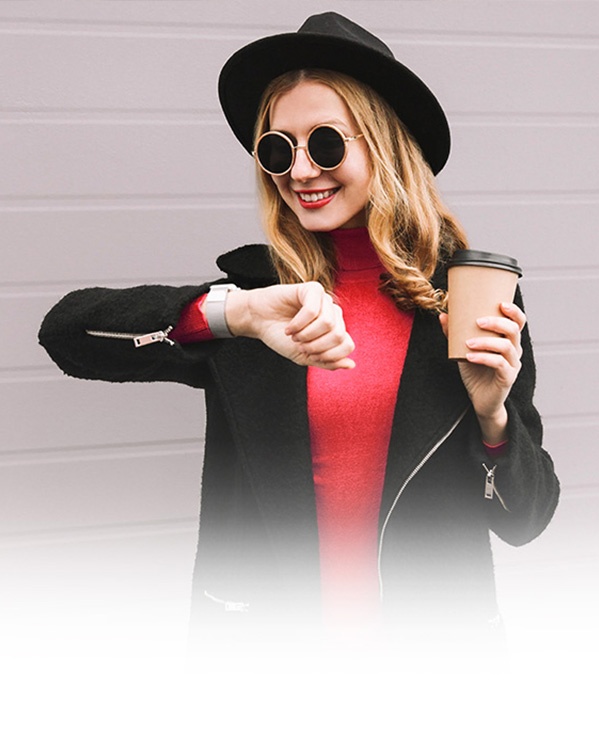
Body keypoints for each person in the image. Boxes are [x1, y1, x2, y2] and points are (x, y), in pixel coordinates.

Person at [39, 13, 559, 650]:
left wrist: (493, 418)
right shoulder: (257, 299)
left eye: (327, 144)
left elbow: (526, 520)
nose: (302, 171)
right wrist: (235, 316)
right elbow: (67, 333)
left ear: (386, 145)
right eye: (278, 149)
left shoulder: (467, 297)